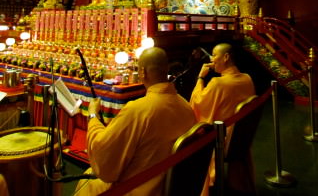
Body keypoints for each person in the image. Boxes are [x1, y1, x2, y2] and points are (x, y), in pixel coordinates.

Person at [75, 47, 196, 196]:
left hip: (137, 189)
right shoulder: (186, 106)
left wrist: (93, 117)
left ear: (142, 72)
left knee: (88, 182)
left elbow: (104, 158)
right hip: (175, 188)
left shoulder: (137, 110)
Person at [190, 42, 256, 196]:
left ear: (226, 57)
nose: (212, 59)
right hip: (241, 139)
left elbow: (196, 103)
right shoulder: (247, 78)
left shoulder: (217, 84)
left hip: (222, 141)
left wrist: (200, 78)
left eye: (214, 55)